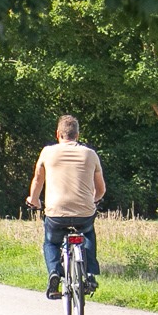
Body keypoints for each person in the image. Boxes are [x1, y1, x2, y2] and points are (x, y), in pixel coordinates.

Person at [27, 113, 106, 297]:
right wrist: (93, 201)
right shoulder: (90, 154)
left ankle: (54, 272)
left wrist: (34, 200)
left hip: (56, 213)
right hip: (84, 212)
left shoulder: (47, 152)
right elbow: (101, 189)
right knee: (88, 234)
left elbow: (38, 180)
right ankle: (90, 273)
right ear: (77, 135)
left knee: (51, 242)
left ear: (58, 134)